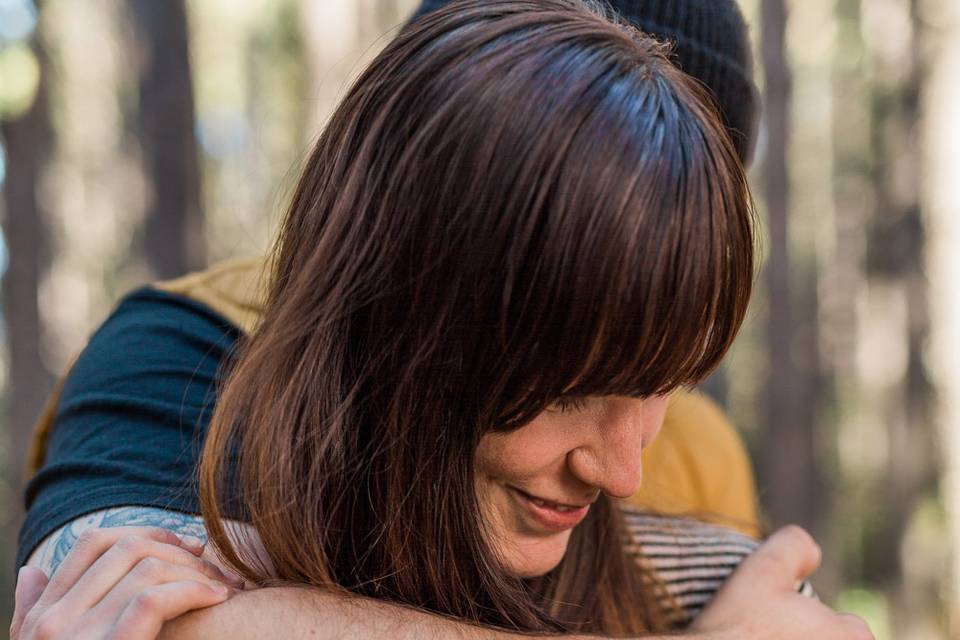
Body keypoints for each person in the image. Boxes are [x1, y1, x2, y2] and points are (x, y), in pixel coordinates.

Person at [12, 1, 872, 638]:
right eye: (568, 374)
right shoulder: (189, 352)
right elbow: (131, 622)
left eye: (661, 366)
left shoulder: (695, 453)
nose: (624, 472)